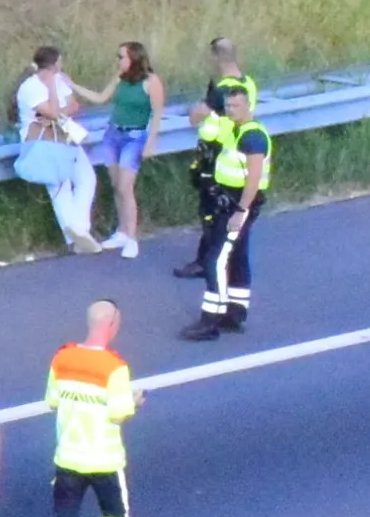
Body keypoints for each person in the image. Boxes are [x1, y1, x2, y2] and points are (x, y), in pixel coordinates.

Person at [45, 301, 142, 517]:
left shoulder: (62, 357)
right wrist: (135, 402)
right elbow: (119, 413)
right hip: (104, 460)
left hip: (67, 457)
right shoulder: (114, 367)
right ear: (113, 325)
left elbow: (52, 401)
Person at [185, 79, 270, 339]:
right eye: (228, 106)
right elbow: (208, 135)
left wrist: (241, 210)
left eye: (236, 106)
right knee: (237, 256)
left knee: (215, 260)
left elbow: (254, 178)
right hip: (230, 200)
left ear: (248, 106)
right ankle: (235, 313)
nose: (231, 110)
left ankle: (211, 319)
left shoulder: (252, 136)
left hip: (239, 204)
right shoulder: (233, 129)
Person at [175, 38, 255, 279]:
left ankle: (209, 261)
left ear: (216, 57)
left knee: (210, 212)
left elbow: (195, 116)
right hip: (235, 153)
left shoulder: (222, 90)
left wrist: (199, 105)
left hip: (217, 156)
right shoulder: (248, 83)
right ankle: (212, 258)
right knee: (221, 212)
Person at [13, 45, 98, 254]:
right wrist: (52, 91)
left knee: (86, 178)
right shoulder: (30, 87)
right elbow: (51, 112)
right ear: (54, 64)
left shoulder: (60, 80)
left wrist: (58, 111)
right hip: (43, 141)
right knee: (60, 187)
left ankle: (79, 230)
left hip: (64, 135)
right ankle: (74, 239)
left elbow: (73, 105)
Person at [88, 40, 162, 257]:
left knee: (125, 187)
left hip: (134, 137)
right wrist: (72, 84)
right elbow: (100, 97)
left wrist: (151, 142)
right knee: (115, 185)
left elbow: (157, 112)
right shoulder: (120, 77)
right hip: (113, 134)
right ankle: (121, 231)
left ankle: (131, 238)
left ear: (134, 58)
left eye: (122, 57)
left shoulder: (151, 81)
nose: (118, 61)